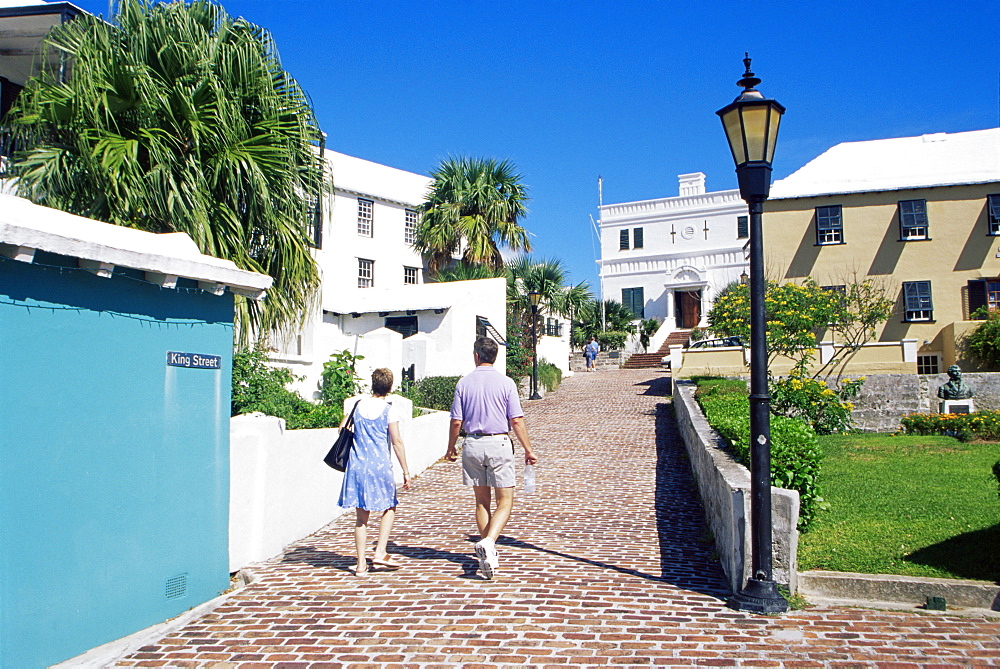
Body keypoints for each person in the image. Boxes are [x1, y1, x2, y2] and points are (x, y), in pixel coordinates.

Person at [447, 337, 538, 579]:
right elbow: (516, 420)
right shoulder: (506, 383)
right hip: (498, 442)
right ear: (494, 356)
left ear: (476, 356)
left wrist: (450, 448)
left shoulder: (463, 383)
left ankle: (488, 550)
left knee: (481, 502)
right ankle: (489, 542)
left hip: (473, 443)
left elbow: (457, 421)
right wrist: (528, 449)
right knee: (505, 501)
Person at [338, 368, 411, 576]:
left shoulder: (358, 405)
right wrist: (406, 471)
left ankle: (361, 565)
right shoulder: (389, 410)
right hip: (380, 465)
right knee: (389, 506)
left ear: (372, 384)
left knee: (361, 518)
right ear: (389, 387)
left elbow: (342, 428)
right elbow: (396, 441)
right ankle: (380, 551)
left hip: (358, 465)